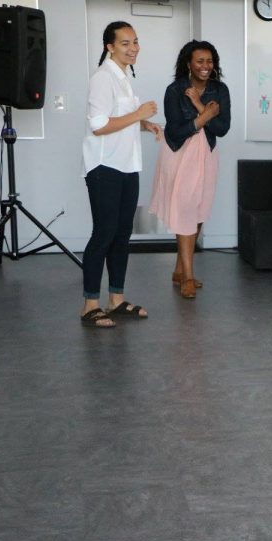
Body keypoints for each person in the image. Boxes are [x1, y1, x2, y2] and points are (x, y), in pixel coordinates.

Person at [80, 21, 161, 328]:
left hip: (128, 165)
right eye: (125, 43)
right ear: (109, 47)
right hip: (104, 167)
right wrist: (140, 114)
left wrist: (145, 124)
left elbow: (120, 118)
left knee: (122, 234)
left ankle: (115, 300)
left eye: (136, 42)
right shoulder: (103, 78)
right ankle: (90, 304)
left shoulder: (124, 77)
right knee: (104, 233)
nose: (133, 48)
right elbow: (99, 125)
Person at [149, 40, 230, 299]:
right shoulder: (175, 90)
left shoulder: (220, 90)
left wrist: (198, 106)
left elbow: (222, 129)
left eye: (210, 61)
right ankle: (188, 277)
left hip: (206, 153)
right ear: (188, 64)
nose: (206, 66)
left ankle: (178, 270)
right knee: (184, 210)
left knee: (197, 213)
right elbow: (175, 130)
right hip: (179, 153)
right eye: (200, 61)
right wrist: (205, 116)